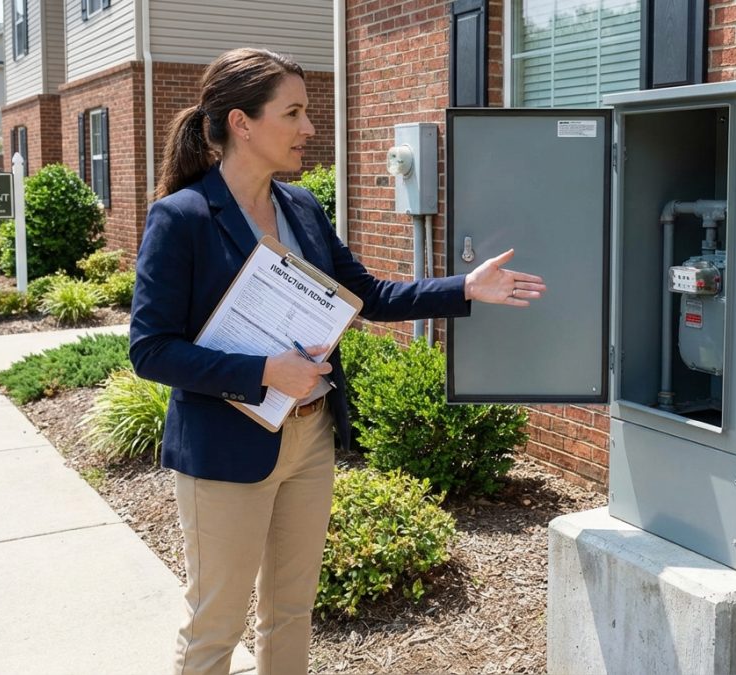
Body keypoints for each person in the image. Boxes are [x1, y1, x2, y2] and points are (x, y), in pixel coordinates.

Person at [129, 47, 546, 674]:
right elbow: (150, 349)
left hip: (309, 437)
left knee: (291, 611)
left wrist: (465, 287)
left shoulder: (301, 207)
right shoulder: (182, 216)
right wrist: (263, 373)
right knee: (216, 625)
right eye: (293, 113)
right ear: (242, 123)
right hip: (225, 448)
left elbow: (366, 296)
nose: (309, 127)